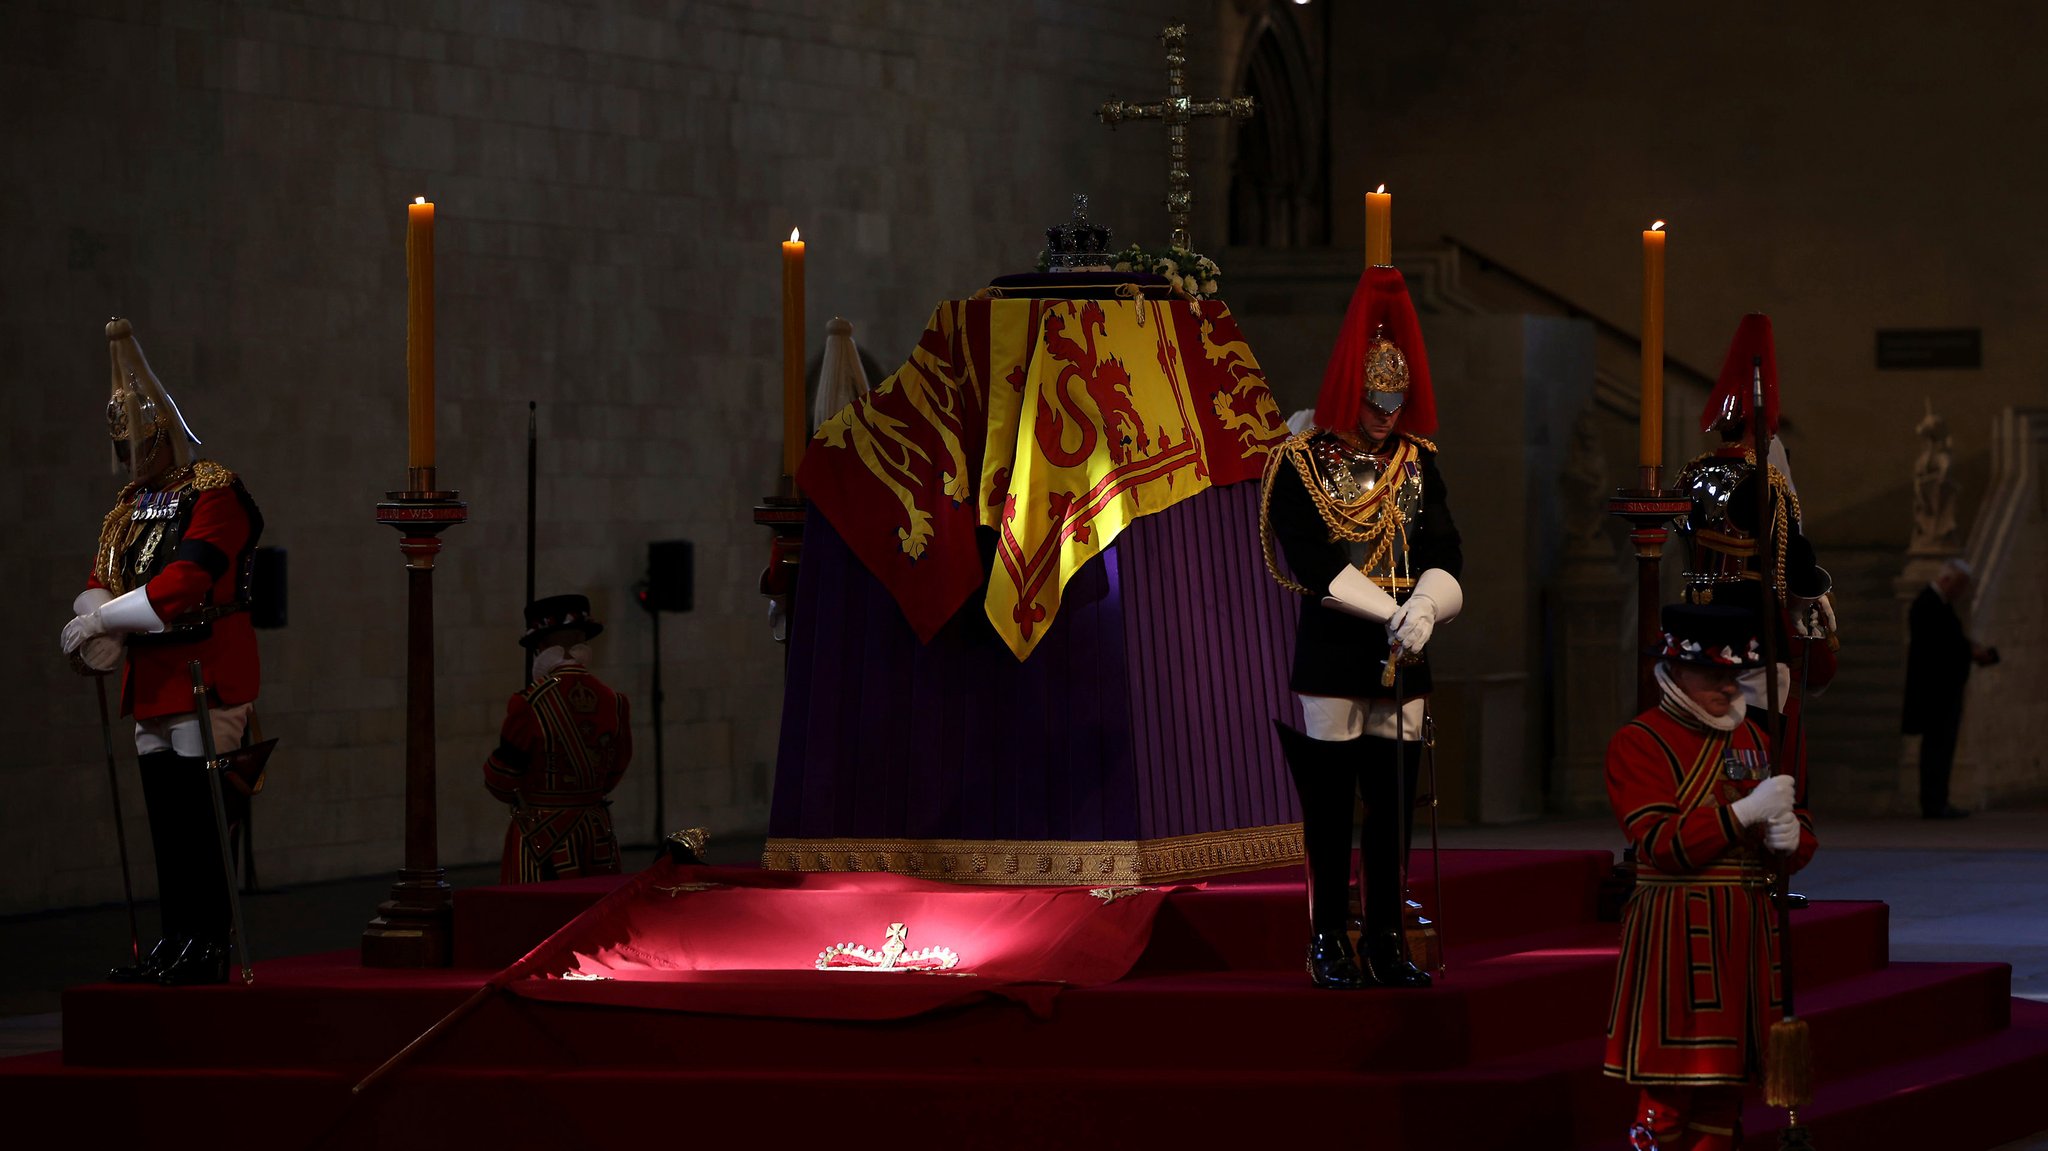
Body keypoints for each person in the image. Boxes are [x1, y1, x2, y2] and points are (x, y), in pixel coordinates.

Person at [1260, 263, 1462, 990]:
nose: (1385, 414)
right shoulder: (1300, 463)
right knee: (1329, 802)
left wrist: (1427, 608)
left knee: (1392, 804)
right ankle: (1325, 938)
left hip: (1406, 644)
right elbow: (1310, 559)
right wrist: (1394, 612)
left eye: (1395, 402)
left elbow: (1446, 551)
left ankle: (1384, 936)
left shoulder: (1416, 464)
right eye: (1375, 401)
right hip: (1339, 639)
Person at [60, 318, 264, 986]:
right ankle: (175, 937)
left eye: (138, 442)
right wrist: (92, 617)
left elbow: (184, 583)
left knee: (203, 823)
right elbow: (101, 580)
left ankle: (207, 943)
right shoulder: (128, 507)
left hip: (205, 668)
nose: (131, 457)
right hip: (152, 675)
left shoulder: (214, 488)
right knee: (168, 824)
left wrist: (103, 625)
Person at [1605, 604, 1816, 1151]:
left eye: (1732, 675)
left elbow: (1788, 826)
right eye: (1713, 676)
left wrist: (1793, 837)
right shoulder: (1639, 741)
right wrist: (1744, 815)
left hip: (1745, 930)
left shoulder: (1754, 740)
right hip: (1678, 928)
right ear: (1674, 672)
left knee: (1726, 1093)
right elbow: (1659, 843)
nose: (1727, 688)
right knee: (1670, 1089)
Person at [1672, 314, 1837, 778]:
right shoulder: (1765, 481)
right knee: (1759, 741)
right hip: (1752, 626)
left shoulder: (1692, 473)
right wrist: (1813, 593)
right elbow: (1794, 567)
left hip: (1694, 618)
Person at [483, 595, 633, 883]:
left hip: (543, 839)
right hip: (596, 834)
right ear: (582, 643)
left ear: (542, 648)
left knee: (538, 919)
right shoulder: (614, 701)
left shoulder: (528, 703)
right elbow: (617, 766)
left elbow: (500, 778)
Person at [1903, 559, 1998, 819]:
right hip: (1935, 692)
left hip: (1942, 691)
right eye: (1959, 586)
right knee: (1935, 749)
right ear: (1947, 581)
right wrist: (1970, 651)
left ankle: (1938, 800)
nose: (1960, 593)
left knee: (1942, 748)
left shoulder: (1939, 605)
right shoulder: (1927, 604)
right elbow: (1938, 647)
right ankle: (1933, 803)